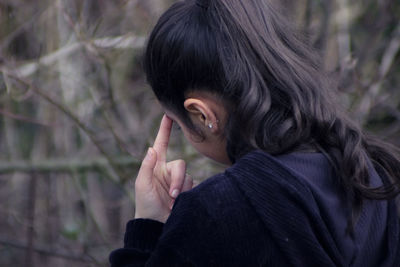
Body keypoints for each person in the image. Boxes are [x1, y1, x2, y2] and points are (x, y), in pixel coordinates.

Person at [109, 0, 400, 266]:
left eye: (176, 122)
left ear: (202, 114)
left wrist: (147, 227)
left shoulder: (215, 215)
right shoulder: (377, 175)